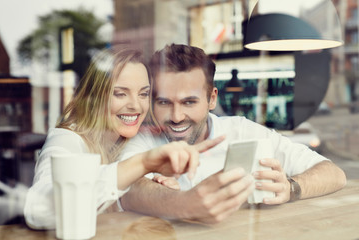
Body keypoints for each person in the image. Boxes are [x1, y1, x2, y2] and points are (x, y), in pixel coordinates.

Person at [118, 44, 347, 224]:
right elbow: (128, 189)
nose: (177, 116)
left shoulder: (243, 130)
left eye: (189, 102)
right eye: (164, 102)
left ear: (212, 99)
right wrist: (186, 203)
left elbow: (334, 174)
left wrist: (292, 188)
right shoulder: (143, 138)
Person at [23, 48, 224, 229]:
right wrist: (142, 165)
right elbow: (38, 209)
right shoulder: (67, 138)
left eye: (144, 94)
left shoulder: (139, 139)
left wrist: (156, 187)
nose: (136, 106)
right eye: (120, 94)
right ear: (94, 97)